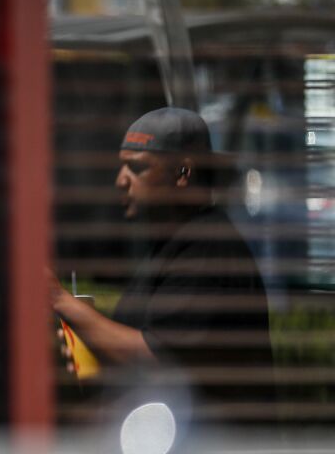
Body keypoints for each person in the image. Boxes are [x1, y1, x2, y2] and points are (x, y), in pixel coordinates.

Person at [49, 107, 275, 429]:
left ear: (183, 173)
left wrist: (60, 300)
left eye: (136, 168)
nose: (120, 180)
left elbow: (158, 360)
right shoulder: (173, 245)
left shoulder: (207, 247)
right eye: (120, 167)